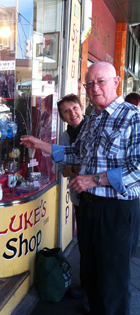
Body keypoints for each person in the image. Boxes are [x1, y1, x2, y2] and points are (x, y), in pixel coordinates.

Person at [20, 61, 140, 315]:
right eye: (90, 84)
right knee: (92, 276)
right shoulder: (94, 119)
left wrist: (95, 179)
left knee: (113, 281)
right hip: (88, 208)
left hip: (116, 211)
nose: (95, 88)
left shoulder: (133, 117)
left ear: (116, 82)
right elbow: (76, 152)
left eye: (101, 82)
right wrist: (40, 144)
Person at [57, 94, 88, 300]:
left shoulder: (93, 128)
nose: (72, 113)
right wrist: (81, 169)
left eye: (75, 108)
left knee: (100, 245)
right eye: (66, 111)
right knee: (85, 243)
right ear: (62, 117)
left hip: (103, 198)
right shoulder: (63, 138)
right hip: (79, 197)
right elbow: (62, 170)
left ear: (81, 107)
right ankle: (86, 287)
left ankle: (98, 290)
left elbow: (93, 167)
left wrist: (78, 169)